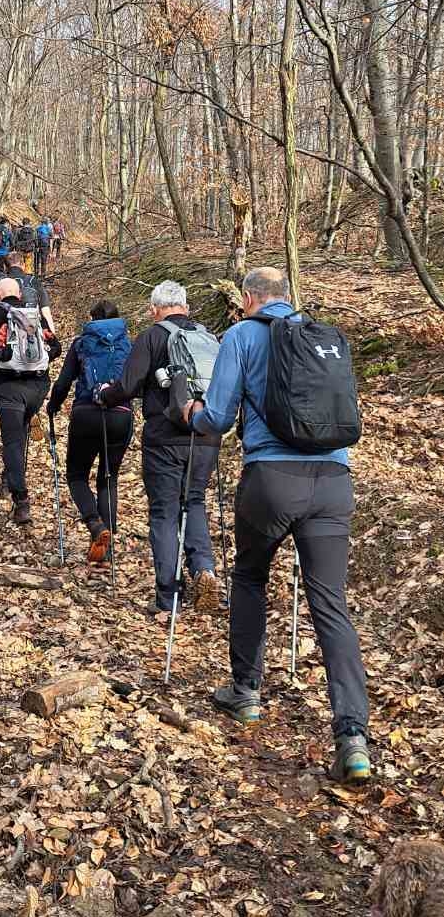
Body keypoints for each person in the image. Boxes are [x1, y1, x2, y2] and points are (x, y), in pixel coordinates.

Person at [183, 265, 370, 784]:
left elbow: (218, 417)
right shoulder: (324, 337)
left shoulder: (242, 335)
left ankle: (245, 692)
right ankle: (353, 736)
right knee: (330, 602)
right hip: (334, 479)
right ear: (287, 297)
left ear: (248, 298)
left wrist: (191, 414)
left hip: (270, 478)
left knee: (249, 577)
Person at [98, 280, 219, 616]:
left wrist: (105, 395)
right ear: (186, 307)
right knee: (193, 500)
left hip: (164, 437)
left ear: (154, 310)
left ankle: (169, 596)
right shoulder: (208, 338)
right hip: (206, 434)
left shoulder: (153, 336)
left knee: (164, 511)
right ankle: (204, 569)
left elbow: (128, 384)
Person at [48, 301, 134, 563]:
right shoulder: (128, 345)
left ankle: (96, 525)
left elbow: (63, 382)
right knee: (109, 478)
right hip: (120, 414)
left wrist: (53, 406)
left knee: (76, 476)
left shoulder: (81, 343)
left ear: (92, 319)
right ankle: (106, 547)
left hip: (86, 414)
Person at [0, 276, 61, 525]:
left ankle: (21, 502)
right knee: (19, 435)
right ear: (19, 293)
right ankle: (9, 477)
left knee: (11, 441)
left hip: (9, 386)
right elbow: (56, 348)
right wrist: (36, 365)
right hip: (38, 387)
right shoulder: (33, 314)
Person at [2, 252, 55, 332]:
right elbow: (46, 311)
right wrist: (52, 336)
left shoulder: (0, 283)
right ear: (23, 265)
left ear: (5, 268)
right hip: (32, 331)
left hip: (7, 333)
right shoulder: (33, 281)